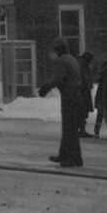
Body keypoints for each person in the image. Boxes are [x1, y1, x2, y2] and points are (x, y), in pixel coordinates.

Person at [37, 37, 85, 168]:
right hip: (76, 94)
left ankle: (70, 158)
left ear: (58, 49)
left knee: (69, 128)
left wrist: (46, 88)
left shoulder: (62, 60)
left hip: (69, 95)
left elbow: (58, 79)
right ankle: (71, 156)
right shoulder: (71, 59)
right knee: (71, 127)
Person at [77, 51, 95, 137]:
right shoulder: (82, 66)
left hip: (83, 91)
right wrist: (87, 87)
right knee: (82, 112)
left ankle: (81, 130)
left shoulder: (82, 64)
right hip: (82, 91)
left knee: (82, 112)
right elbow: (84, 78)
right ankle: (81, 130)